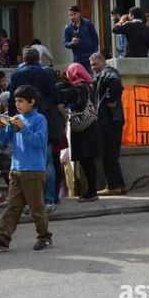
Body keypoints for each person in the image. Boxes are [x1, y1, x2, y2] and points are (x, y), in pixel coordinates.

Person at [0, 85, 52, 251]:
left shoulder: (39, 120)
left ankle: (44, 236)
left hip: (33, 170)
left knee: (36, 207)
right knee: (13, 206)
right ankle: (3, 237)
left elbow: (39, 142)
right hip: (16, 168)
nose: (17, 104)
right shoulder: (16, 117)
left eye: (21, 101)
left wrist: (23, 128)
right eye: (15, 101)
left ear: (32, 102)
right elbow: (3, 141)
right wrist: (0, 126)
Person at [8, 48, 63, 211]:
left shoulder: (17, 75)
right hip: (45, 114)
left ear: (23, 59)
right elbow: (55, 97)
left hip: (23, 119)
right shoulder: (47, 74)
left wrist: (12, 119)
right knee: (48, 161)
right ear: (39, 58)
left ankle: (30, 200)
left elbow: (12, 99)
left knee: (27, 161)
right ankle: (50, 198)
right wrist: (63, 116)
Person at [61, 63, 101, 202]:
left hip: (84, 129)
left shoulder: (80, 87)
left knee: (87, 161)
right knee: (88, 161)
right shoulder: (89, 85)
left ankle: (91, 192)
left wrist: (67, 99)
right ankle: (91, 190)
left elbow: (79, 105)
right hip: (90, 127)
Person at [89, 53, 126, 195]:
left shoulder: (108, 72)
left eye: (95, 64)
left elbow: (116, 86)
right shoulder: (104, 74)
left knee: (108, 154)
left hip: (110, 120)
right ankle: (119, 185)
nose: (93, 67)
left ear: (103, 62)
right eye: (91, 65)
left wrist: (110, 99)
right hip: (111, 119)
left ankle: (113, 186)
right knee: (111, 154)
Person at [63, 5, 99, 70]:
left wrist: (95, 52)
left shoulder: (87, 23)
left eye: (74, 14)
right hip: (77, 57)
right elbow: (65, 43)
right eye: (70, 15)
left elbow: (95, 38)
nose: (72, 17)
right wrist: (72, 43)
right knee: (78, 76)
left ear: (79, 14)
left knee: (91, 77)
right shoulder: (68, 28)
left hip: (90, 56)